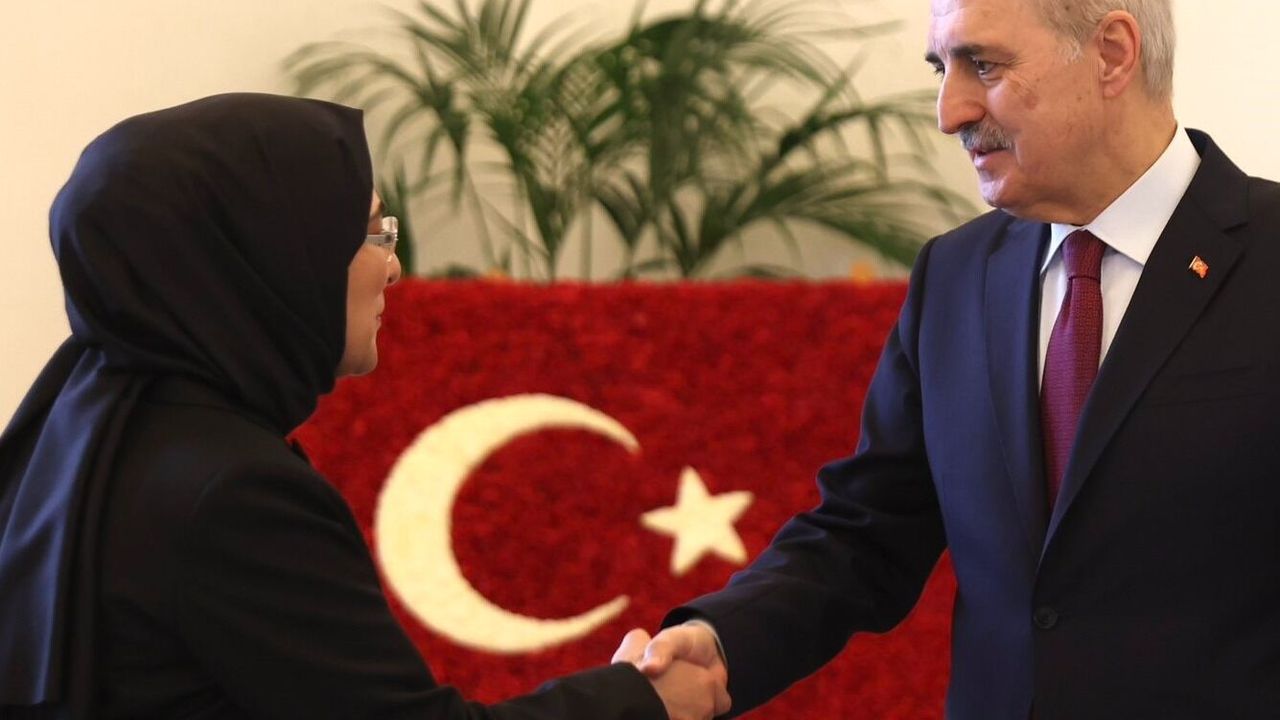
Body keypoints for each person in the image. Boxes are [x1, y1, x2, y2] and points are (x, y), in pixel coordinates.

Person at [623, 1, 1280, 718]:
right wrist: (724, 643)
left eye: (984, 65)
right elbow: (867, 529)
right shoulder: (956, 274)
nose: (949, 112)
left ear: (1113, 53)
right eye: (942, 68)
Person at [0, 93, 728, 720]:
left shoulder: (84, 429)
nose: (395, 266)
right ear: (268, 255)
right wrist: (643, 703)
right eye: (374, 232)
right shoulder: (232, 494)